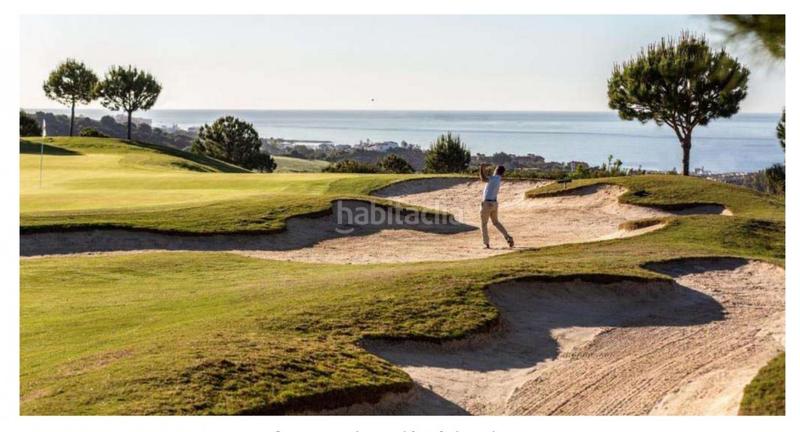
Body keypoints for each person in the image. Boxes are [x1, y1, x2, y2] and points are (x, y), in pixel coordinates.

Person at [479, 163, 514, 249]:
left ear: (496, 170)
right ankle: (507, 237)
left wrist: (481, 168)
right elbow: (486, 177)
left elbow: (483, 178)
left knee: (484, 224)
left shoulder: (493, 178)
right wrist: (484, 170)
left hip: (487, 203)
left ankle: (486, 243)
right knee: (496, 222)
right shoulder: (498, 179)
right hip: (494, 203)